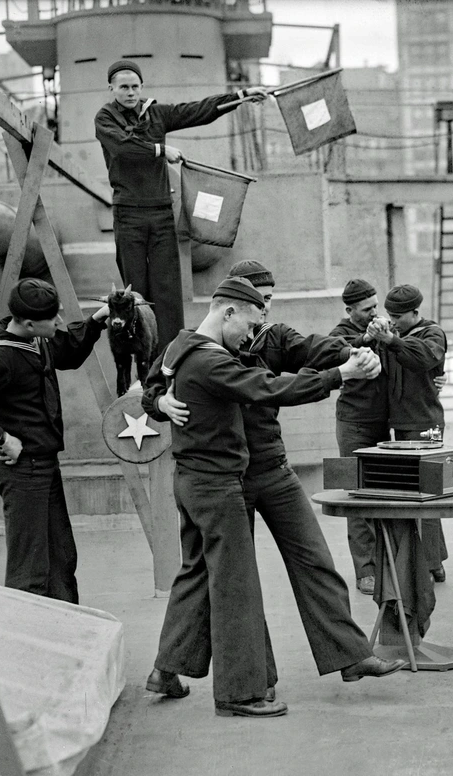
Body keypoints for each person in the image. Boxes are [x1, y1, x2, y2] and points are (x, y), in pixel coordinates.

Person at [140, 276, 380, 719]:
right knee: (236, 589)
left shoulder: (185, 349)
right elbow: (267, 388)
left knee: (202, 575)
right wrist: (340, 375)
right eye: (252, 321)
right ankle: (240, 691)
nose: (256, 332)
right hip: (219, 481)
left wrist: (345, 355)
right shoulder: (211, 360)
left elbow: (303, 349)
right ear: (227, 311)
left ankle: (170, 669)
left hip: (198, 478)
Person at [227, 260, 407, 689]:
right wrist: (157, 404)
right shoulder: (208, 345)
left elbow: (314, 347)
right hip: (226, 474)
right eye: (258, 302)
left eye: (269, 300)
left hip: (271, 464)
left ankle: (351, 655)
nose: (265, 311)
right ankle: (243, 676)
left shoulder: (274, 336)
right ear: (233, 304)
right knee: (223, 580)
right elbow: (163, 376)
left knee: (315, 559)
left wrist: (354, 352)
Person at [0, 279, 110, 604]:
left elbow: (68, 349)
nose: (59, 322)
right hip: (22, 471)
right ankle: (29, 647)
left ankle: (65, 634)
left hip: (45, 465)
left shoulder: (37, 338)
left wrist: (99, 318)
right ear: (28, 322)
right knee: (30, 572)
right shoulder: (0, 357)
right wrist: (1, 437)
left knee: (61, 560)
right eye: (53, 319)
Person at [94, 59, 266, 345]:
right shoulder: (105, 118)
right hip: (128, 215)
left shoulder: (156, 113)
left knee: (167, 290)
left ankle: (170, 358)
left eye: (135, 86)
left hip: (161, 213)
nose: (130, 92)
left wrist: (240, 96)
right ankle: (143, 364)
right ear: (111, 88)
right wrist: (161, 149)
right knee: (133, 294)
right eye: (123, 87)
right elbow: (122, 147)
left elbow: (197, 111)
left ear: (142, 87)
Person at [369, 284, 449, 581]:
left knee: (427, 494)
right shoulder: (393, 335)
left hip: (427, 425)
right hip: (401, 424)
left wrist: (391, 340)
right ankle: (428, 560)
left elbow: (424, 358)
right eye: (389, 316)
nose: (393, 322)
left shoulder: (432, 333)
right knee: (409, 495)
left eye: (398, 317)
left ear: (415, 313)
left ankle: (430, 563)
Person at [329, 278, 388, 595]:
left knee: (385, 496)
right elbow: (337, 353)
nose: (374, 313)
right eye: (367, 309)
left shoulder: (380, 328)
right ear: (350, 310)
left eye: (376, 306)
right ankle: (365, 570)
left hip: (382, 422)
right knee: (357, 495)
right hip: (353, 423)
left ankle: (389, 563)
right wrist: (367, 338)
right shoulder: (338, 335)